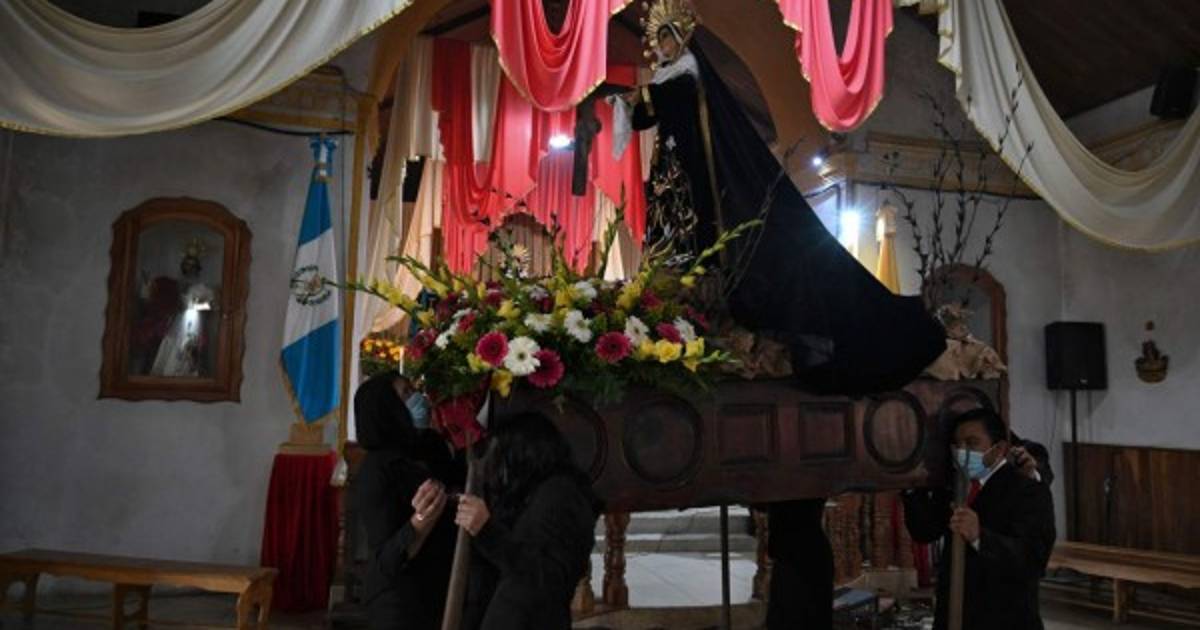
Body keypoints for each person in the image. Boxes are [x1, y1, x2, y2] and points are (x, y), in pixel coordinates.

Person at [613, 0, 945, 396]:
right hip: (674, 173)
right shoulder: (669, 78)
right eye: (659, 41)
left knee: (704, 240)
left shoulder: (688, 73)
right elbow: (650, 114)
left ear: (682, 38)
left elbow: (670, 100)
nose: (664, 47)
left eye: (668, 38)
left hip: (696, 179)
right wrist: (632, 103)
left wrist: (634, 98)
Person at [902, 408, 1057, 630]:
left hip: (1004, 619)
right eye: (957, 444)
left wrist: (979, 537)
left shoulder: (1028, 490)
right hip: (954, 615)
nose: (962, 451)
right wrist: (910, 486)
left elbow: (1032, 559)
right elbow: (925, 531)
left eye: (972, 443)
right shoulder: (952, 485)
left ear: (999, 448)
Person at [454, 412, 602, 630]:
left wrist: (487, 532)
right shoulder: (543, 493)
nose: (500, 473)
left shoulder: (560, 496)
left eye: (504, 459)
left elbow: (546, 577)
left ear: (524, 455)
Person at [354, 371, 463, 629]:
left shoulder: (428, 447)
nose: (418, 398)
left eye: (414, 390)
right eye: (406, 393)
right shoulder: (377, 469)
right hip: (400, 598)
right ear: (386, 409)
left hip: (437, 586)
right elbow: (387, 557)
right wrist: (423, 518)